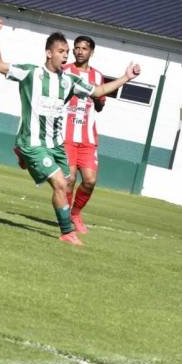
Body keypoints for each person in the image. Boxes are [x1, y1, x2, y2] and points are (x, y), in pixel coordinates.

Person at [0, 18, 140, 246]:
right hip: (34, 142)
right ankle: (67, 231)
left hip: (56, 144)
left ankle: (24, 158)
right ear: (49, 53)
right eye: (62, 51)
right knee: (60, 184)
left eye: (67, 52)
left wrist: (126, 77)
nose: (66, 56)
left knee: (68, 182)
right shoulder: (30, 73)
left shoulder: (69, 81)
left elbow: (98, 90)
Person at [62, 35, 107, 234]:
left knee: (90, 181)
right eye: (77, 48)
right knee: (69, 179)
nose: (80, 51)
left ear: (91, 52)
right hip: (66, 135)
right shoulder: (64, 71)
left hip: (88, 139)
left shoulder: (97, 77)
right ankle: (64, 218)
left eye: (84, 48)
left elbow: (100, 106)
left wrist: (95, 96)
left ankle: (75, 213)